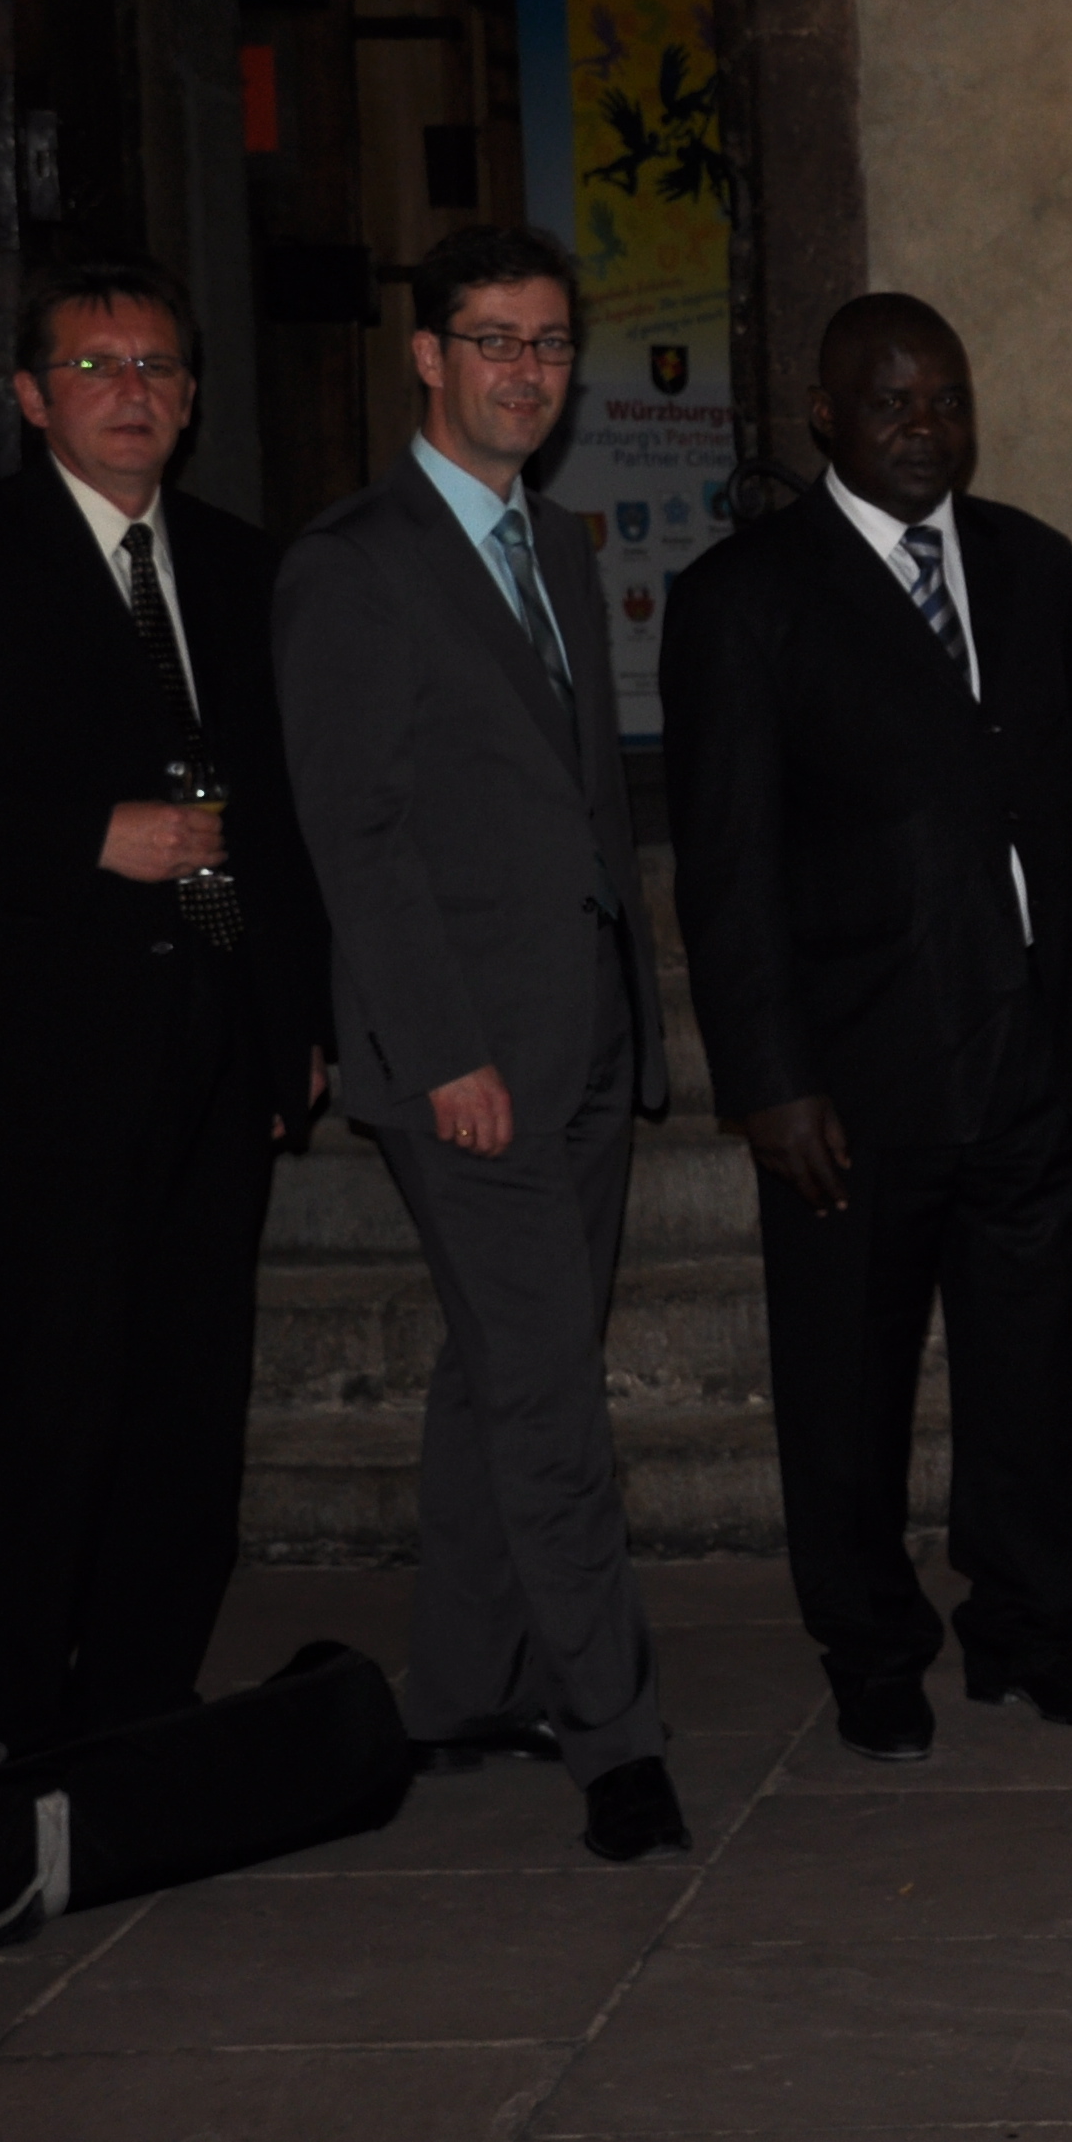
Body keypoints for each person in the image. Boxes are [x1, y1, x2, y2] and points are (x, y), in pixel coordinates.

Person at [0, 259, 330, 1752]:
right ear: (32, 396)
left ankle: (147, 1704)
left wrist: (293, 1018)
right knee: (54, 1400)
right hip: (47, 1059)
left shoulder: (240, 565)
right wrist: (83, 836)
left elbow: (285, 812)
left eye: (157, 367)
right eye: (96, 367)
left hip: (221, 1045)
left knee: (192, 1400)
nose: (132, 393)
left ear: (192, 398)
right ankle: (25, 1723)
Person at [661, 292, 1072, 1761]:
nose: (926, 428)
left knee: (1025, 1374)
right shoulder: (745, 593)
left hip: (1027, 1062)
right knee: (847, 1383)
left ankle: (1027, 1632)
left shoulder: (1031, 562)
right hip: (850, 1081)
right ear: (825, 414)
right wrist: (769, 1078)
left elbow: (1071, 789)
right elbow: (726, 862)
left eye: (947, 399)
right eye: (891, 403)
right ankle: (871, 1647)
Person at [275, 221, 684, 1863]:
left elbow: (582, 807)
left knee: (498, 1370)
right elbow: (354, 837)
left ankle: (458, 1685)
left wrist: (629, 1012)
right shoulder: (354, 562)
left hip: (581, 1038)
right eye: (495, 341)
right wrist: (443, 1049)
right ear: (428, 358)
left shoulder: (557, 544)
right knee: (547, 1393)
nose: (528, 370)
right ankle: (616, 1735)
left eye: (550, 343)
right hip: (466, 1064)